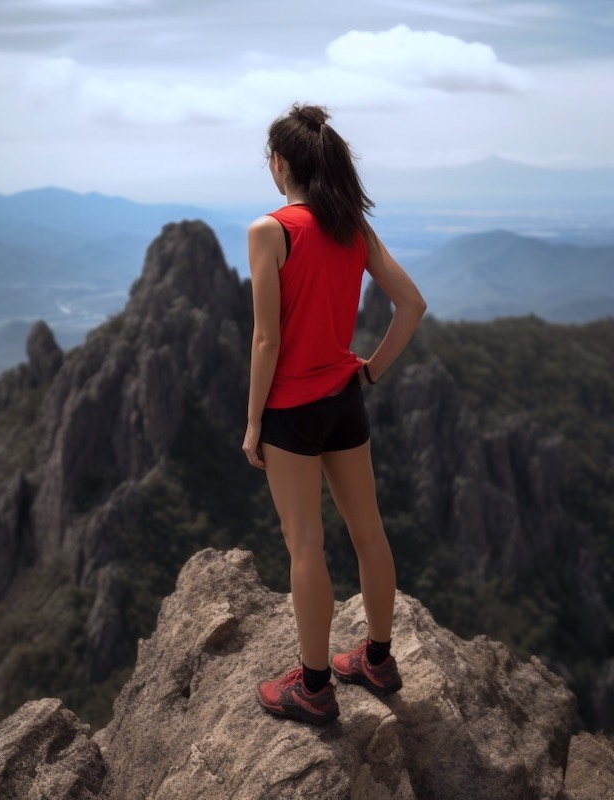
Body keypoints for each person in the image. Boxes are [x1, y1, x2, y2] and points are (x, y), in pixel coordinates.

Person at [242, 103, 427, 725]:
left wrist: (252, 423)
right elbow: (412, 305)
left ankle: (315, 687)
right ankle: (377, 658)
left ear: (279, 163)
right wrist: (370, 368)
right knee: (368, 532)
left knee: (306, 547)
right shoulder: (353, 228)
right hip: (345, 400)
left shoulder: (270, 231)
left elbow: (266, 340)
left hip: (291, 410)